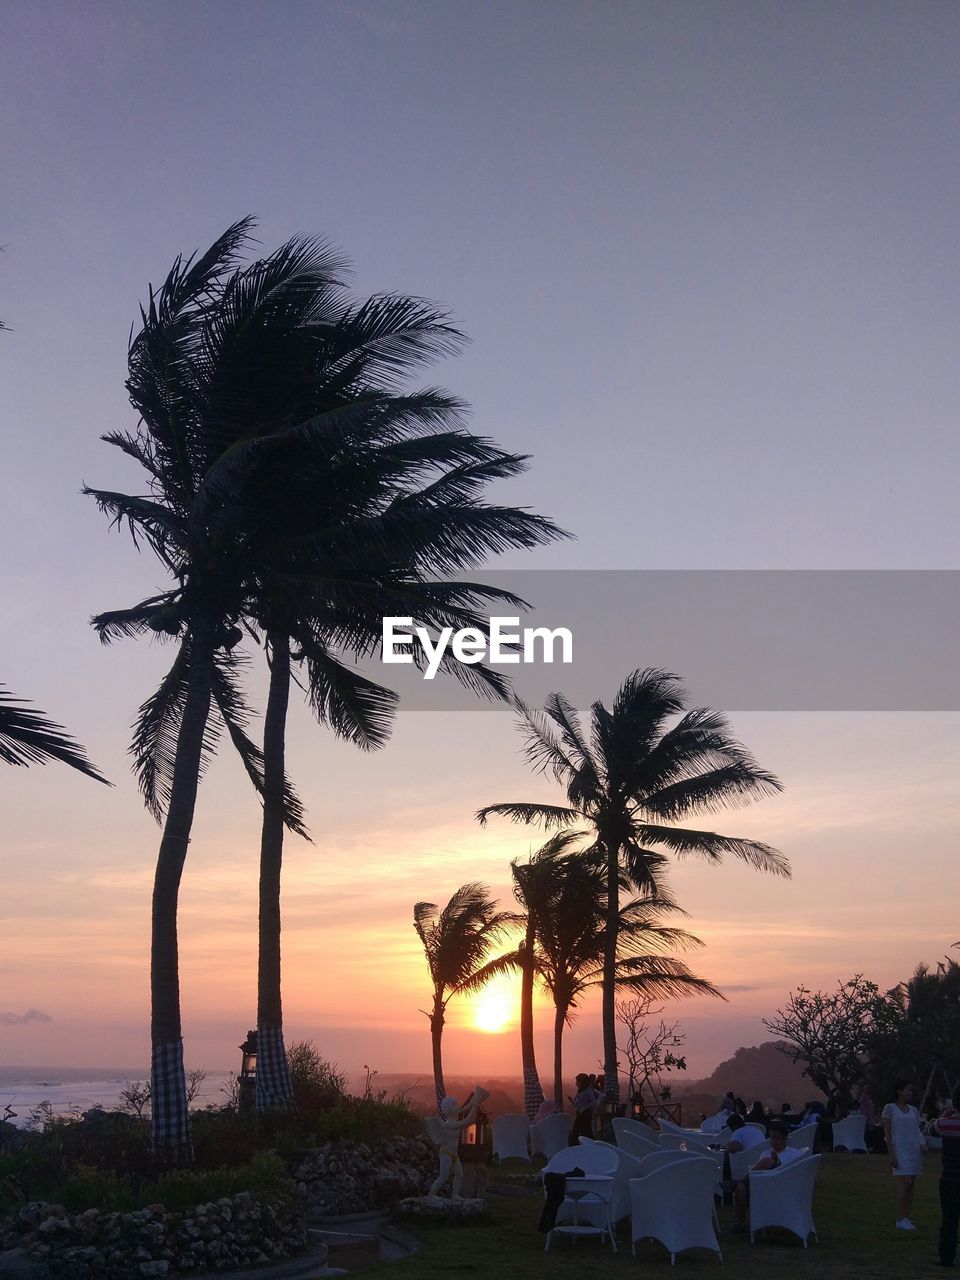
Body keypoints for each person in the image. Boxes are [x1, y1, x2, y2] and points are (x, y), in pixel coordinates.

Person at [733, 1121, 804, 1228]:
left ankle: (738, 1181)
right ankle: (742, 1223)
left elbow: (797, 1174)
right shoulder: (765, 1153)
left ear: (785, 1138)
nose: (773, 1141)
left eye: (776, 1138)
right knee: (740, 1188)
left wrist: (777, 1163)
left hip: (784, 1187)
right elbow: (759, 1173)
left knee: (767, 1161)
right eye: (771, 1138)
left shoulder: (794, 1154)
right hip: (763, 1186)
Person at [427, 1087, 488, 1199]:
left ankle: (455, 1195)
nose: (457, 1107)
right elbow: (467, 1121)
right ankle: (431, 1196)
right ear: (449, 1110)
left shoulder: (454, 1119)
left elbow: (464, 1110)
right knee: (443, 1177)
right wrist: (474, 1105)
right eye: (455, 1105)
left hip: (454, 1155)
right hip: (446, 1154)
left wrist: (473, 1102)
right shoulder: (449, 1124)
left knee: (459, 1175)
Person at [881, 1079, 925, 1231]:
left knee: (912, 1184)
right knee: (905, 1182)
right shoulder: (890, 1108)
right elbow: (887, 1131)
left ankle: (906, 1216)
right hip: (899, 1149)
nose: (910, 1093)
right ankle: (900, 1217)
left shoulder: (913, 1110)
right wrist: (891, 1154)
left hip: (913, 1149)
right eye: (908, 1090)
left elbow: (916, 1129)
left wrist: (922, 1142)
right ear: (900, 1091)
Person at [934, 1086, 960, 1266]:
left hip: (950, 1178)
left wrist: (947, 1113)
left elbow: (931, 1129)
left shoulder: (945, 1124)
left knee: (949, 1220)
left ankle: (946, 1256)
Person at [569, 1073, 600, 1144]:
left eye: (577, 1081)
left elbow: (594, 1102)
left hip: (585, 1114)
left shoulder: (588, 1090)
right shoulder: (580, 1090)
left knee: (577, 1131)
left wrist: (584, 1108)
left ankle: (575, 1146)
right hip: (580, 1113)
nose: (576, 1083)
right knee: (587, 1132)